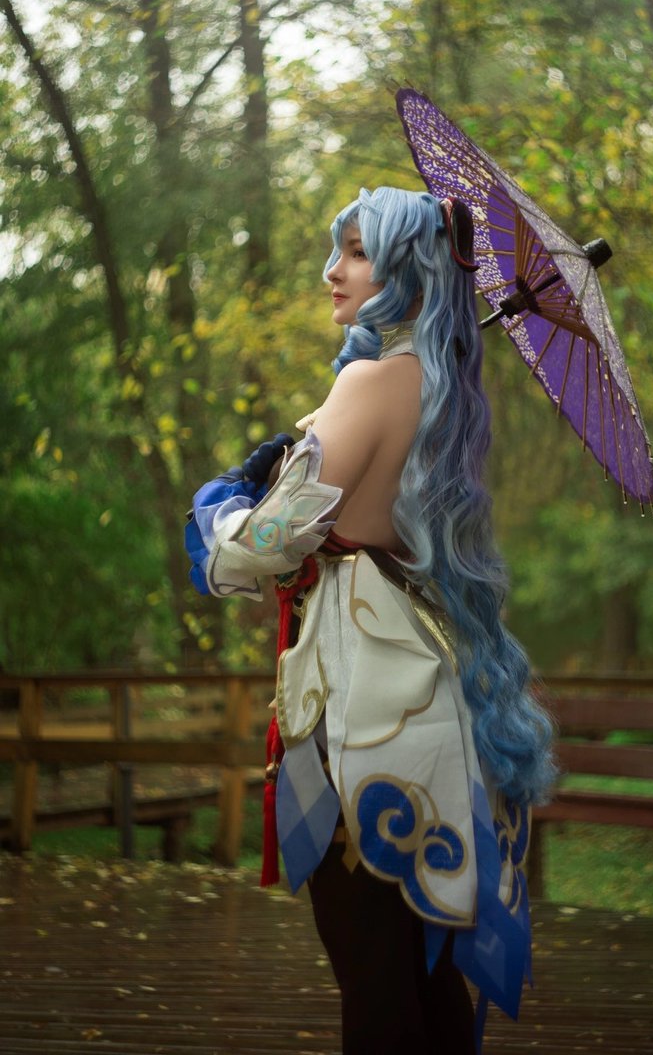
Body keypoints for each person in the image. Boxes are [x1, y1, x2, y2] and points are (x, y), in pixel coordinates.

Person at [185, 187, 556, 1055]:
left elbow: (263, 549)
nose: (333, 270)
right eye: (338, 249)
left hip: (363, 712)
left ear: (408, 268)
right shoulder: (440, 387)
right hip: (425, 696)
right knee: (421, 979)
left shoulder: (370, 380)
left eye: (357, 252)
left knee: (373, 977)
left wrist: (222, 504)